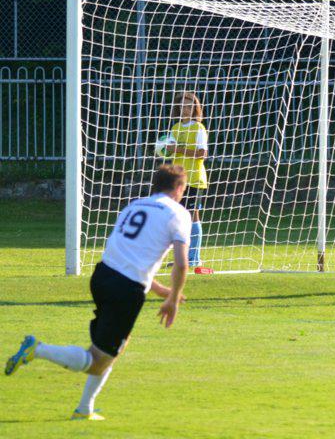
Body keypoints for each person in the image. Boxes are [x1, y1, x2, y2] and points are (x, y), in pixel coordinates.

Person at [4, 165, 193, 421]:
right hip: (125, 289)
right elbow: (181, 263)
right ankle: (37, 349)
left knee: (116, 346)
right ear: (179, 188)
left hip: (102, 275)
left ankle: (85, 409)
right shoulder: (178, 213)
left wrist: (160, 290)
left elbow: (128, 253)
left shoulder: (135, 205)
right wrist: (173, 300)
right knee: (97, 360)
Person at [166, 91, 209, 269]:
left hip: (194, 178)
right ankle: (181, 258)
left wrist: (178, 149)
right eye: (183, 105)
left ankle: (194, 258)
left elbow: (202, 153)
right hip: (178, 180)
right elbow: (170, 151)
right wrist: (165, 149)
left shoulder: (199, 128)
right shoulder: (175, 128)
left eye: (189, 106)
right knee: (178, 218)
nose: (185, 109)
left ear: (195, 109)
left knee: (192, 215)